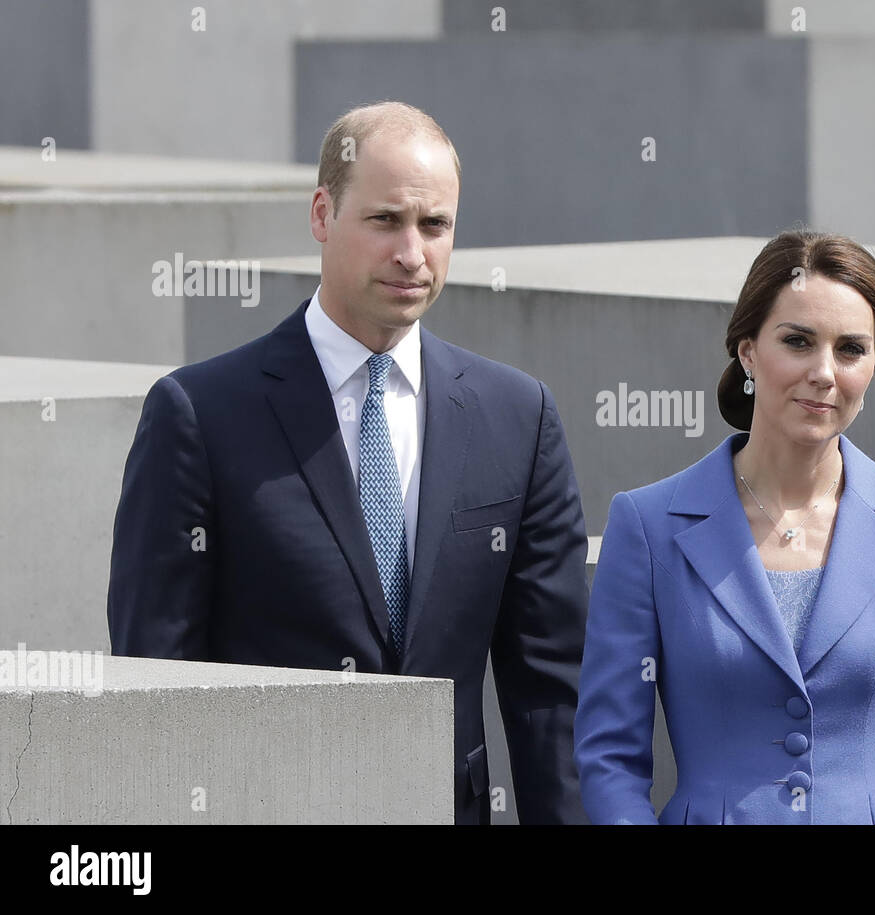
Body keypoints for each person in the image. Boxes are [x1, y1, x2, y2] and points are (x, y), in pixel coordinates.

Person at [108, 101, 589, 825]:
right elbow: (156, 681)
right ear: (322, 213)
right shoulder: (199, 415)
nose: (412, 252)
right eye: (385, 220)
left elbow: (551, 690)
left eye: (436, 225)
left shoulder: (518, 418)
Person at [574, 230, 875, 824]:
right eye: (798, 342)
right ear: (746, 351)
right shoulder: (647, 526)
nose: (824, 372)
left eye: (851, 350)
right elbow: (609, 753)